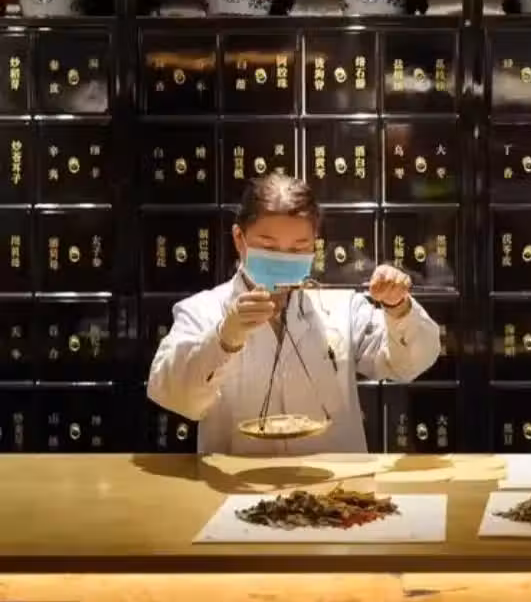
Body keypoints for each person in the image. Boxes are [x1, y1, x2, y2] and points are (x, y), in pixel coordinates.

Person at [147, 174, 441, 455]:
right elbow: (173, 395)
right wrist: (224, 339)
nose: (284, 257)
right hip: (240, 483)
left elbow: (408, 364)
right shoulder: (204, 310)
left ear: (315, 244)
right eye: (268, 246)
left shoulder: (340, 308)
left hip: (335, 485)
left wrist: (398, 307)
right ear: (239, 239)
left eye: (299, 248)